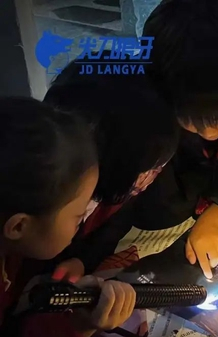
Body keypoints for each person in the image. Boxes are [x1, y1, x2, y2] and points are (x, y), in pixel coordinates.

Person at [0, 97, 136, 337]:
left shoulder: (15, 253)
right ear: (19, 226)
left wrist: (75, 321)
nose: (84, 221)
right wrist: (75, 329)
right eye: (78, 215)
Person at [140, 0, 218, 279]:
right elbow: (157, 211)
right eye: (193, 120)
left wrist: (214, 217)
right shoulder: (150, 131)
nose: (209, 132)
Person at [43, 56, 178, 281]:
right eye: (148, 170)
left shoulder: (114, 187)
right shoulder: (45, 209)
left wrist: (82, 261)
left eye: (159, 168)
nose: (151, 179)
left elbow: (115, 224)